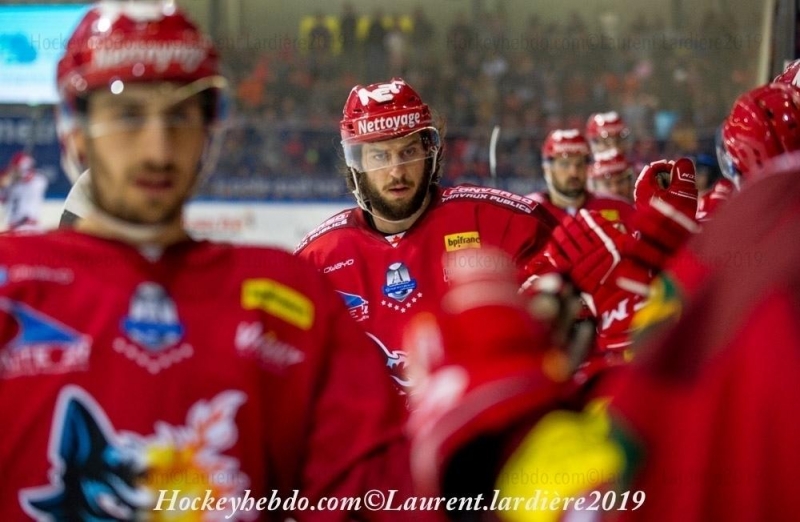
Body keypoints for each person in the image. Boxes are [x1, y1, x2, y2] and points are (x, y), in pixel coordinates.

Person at [1, 3, 421, 520]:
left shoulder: (291, 301)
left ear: (209, 127)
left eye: (180, 115)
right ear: (74, 129)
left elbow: (379, 500)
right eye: (128, 115)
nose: (157, 149)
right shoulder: (10, 286)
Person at [295, 77, 557, 393]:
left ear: (429, 152)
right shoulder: (318, 259)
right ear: (356, 165)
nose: (396, 171)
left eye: (408, 152)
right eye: (380, 156)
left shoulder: (502, 223)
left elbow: (567, 317)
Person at [527, 129, 634, 230]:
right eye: (565, 165)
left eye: (580, 164)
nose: (574, 172)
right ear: (547, 169)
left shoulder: (618, 208)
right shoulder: (529, 212)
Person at [0, 150, 49, 231]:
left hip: (30, 226)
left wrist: (14, 178)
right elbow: (2, 197)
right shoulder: (11, 184)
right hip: (13, 227)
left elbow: (30, 178)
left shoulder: (38, 180)